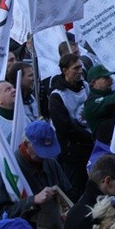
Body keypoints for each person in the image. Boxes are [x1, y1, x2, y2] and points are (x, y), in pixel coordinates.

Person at [0, 121, 76, 229]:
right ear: (26, 145)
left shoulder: (51, 163)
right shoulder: (8, 173)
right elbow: (1, 215)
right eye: (41, 151)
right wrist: (32, 201)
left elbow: (69, 193)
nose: (46, 156)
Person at [48, 53, 93, 194]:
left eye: (81, 67)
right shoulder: (57, 96)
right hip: (71, 153)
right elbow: (65, 127)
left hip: (89, 147)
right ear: (65, 71)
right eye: (76, 68)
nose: (80, 71)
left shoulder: (85, 86)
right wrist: (89, 136)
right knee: (76, 190)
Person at [82, 65, 115, 139]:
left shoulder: (111, 93)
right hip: (107, 147)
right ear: (94, 82)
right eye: (106, 78)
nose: (111, 81)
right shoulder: (91, 102)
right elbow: (113, 101)